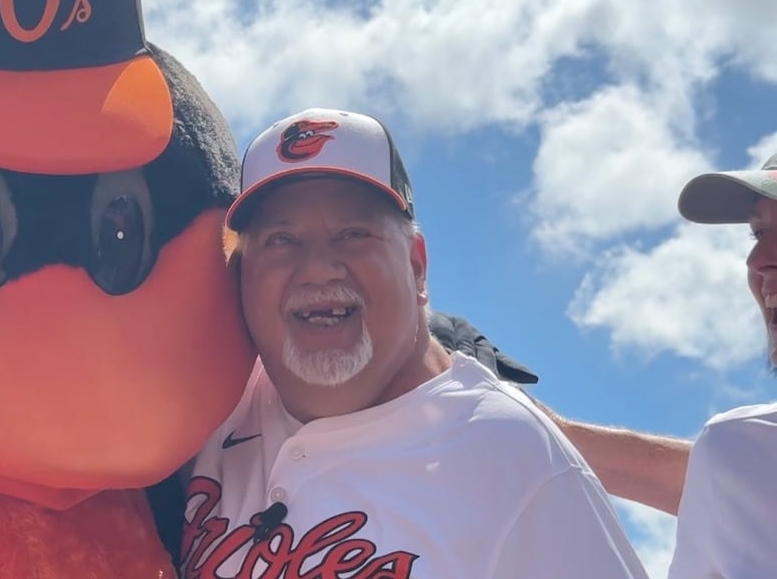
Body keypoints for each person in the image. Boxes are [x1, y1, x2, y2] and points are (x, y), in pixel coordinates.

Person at [179, 107, 648, 578]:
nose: (318, 268)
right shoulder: (207, 403)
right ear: (240, 273)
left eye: (353, 234)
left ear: (416, 267)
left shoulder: (513, 457)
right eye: (281, 240)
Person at [546, 152, 777, 578]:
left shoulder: (740, 449)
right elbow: (739, 473)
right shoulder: (738, 451)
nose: (758, 261)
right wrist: (522, 419)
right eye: (759, 232)